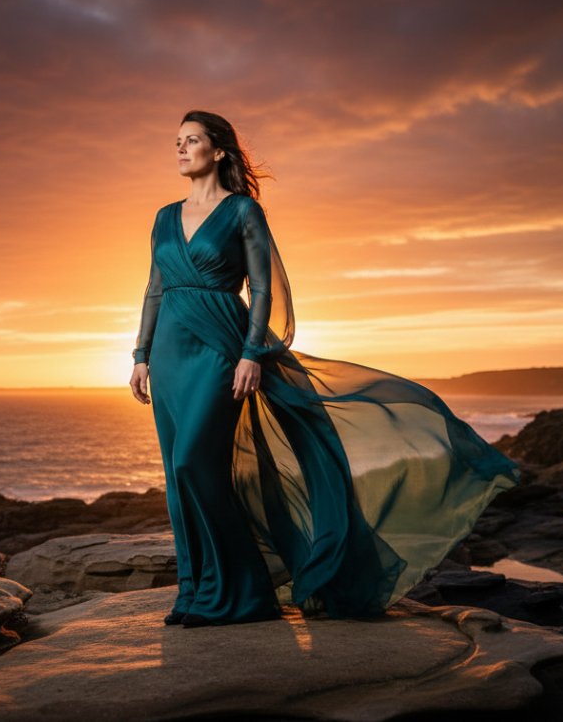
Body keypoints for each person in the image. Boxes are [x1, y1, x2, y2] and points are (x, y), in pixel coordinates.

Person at [128, 110, 521, 628]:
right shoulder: (163, 216)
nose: (180, 149)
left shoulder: (243, 211)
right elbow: (154, 288)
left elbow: (262, 289)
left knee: (193, 465)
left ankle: (238, 594)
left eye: (192, 141)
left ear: (218, 151)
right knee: (178, 476)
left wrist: (251, 353)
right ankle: (196, 592)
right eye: (176, 141)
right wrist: (139, 355)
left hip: (221, 346)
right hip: (169, 354)